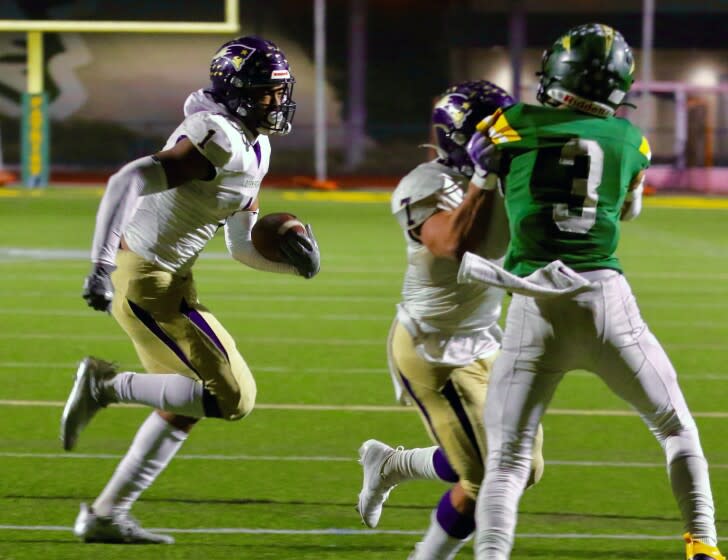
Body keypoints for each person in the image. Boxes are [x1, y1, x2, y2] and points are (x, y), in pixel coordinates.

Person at [453, 23, 723, 560]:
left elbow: (485, 198)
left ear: (557, 72)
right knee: (675, 427)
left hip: (534, 302)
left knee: (506, 461)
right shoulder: (632, 139)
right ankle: (704, 545)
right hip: (605, 300)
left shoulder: (514, 122)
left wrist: (484, 175)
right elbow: (628, 209)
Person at [59, 36, 320, 544]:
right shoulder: (217, 137)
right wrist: (99, 263)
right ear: (240, 92)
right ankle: (105, 387)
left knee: (188, 401)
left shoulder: (253, 143)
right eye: (269, 91)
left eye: (280, 90)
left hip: (169, 279)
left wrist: (295, 266)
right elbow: (126, 181)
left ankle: (107, 515)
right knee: (233, 397)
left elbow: (241, 245)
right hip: (145, 281)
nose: (279, 101)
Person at [356, 81, 545, 560]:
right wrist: (483, 178)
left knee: (525, 468)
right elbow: (451, 244)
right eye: (495, 132)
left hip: (486, 339)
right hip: (430, 347)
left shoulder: (508, 179)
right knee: (487, 476)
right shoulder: (426, 183)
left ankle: (394, 464)